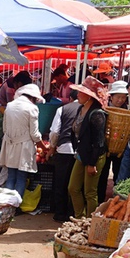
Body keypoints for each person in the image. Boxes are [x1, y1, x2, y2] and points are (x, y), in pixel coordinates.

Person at [67, 76, 108, 217]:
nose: (77, 94)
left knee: (90, 192)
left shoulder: (97, 114)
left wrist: (92, 163)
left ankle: (91, 223)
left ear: (90, 96)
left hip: (94, 157)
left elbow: (99, 142)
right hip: (82, 154)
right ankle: (80, 218)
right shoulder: (81, 109)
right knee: (73, 188)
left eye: (81, 92)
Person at [0, 83, 42, 200]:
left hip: (10, 145)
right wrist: (42, 145)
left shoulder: (9, 106)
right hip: (24, 147)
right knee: (21, 177)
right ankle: (16, 205)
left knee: (11, 175)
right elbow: (34, 134)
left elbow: (5, 129)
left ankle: (7, 205)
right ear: (33, 97)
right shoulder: (32, 108)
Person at [47, 90, 80, 222]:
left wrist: (52, 147)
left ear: (71, 98)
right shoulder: (87, 110)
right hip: (79, 152)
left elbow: (55, 132)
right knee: (75, 185)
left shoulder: (63, 109)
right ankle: (72, 213)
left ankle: (60, 213)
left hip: (64, 149)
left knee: (61, 183)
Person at [100, 81, 129, 203]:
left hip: (120, 148)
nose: (120, 100)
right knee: (102, 174)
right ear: (111, 97)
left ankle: (116, 200)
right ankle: (100, 199)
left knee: (119, 174)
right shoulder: (104, 108)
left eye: (123, 97)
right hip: (105, 146)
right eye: (118, 97)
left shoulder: (126, 110)